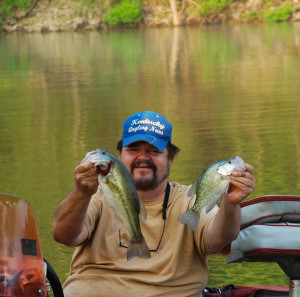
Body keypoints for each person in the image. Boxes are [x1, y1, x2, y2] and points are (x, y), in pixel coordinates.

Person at [52, 111, 255, 297]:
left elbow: (217, 240)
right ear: (120, 155)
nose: (143, 157)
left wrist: (231, 203)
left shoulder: (189, 200)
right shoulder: (94, 194)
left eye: (154, 150)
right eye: (133, 149)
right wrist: (81, 192)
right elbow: (64, 235)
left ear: (169, 158)